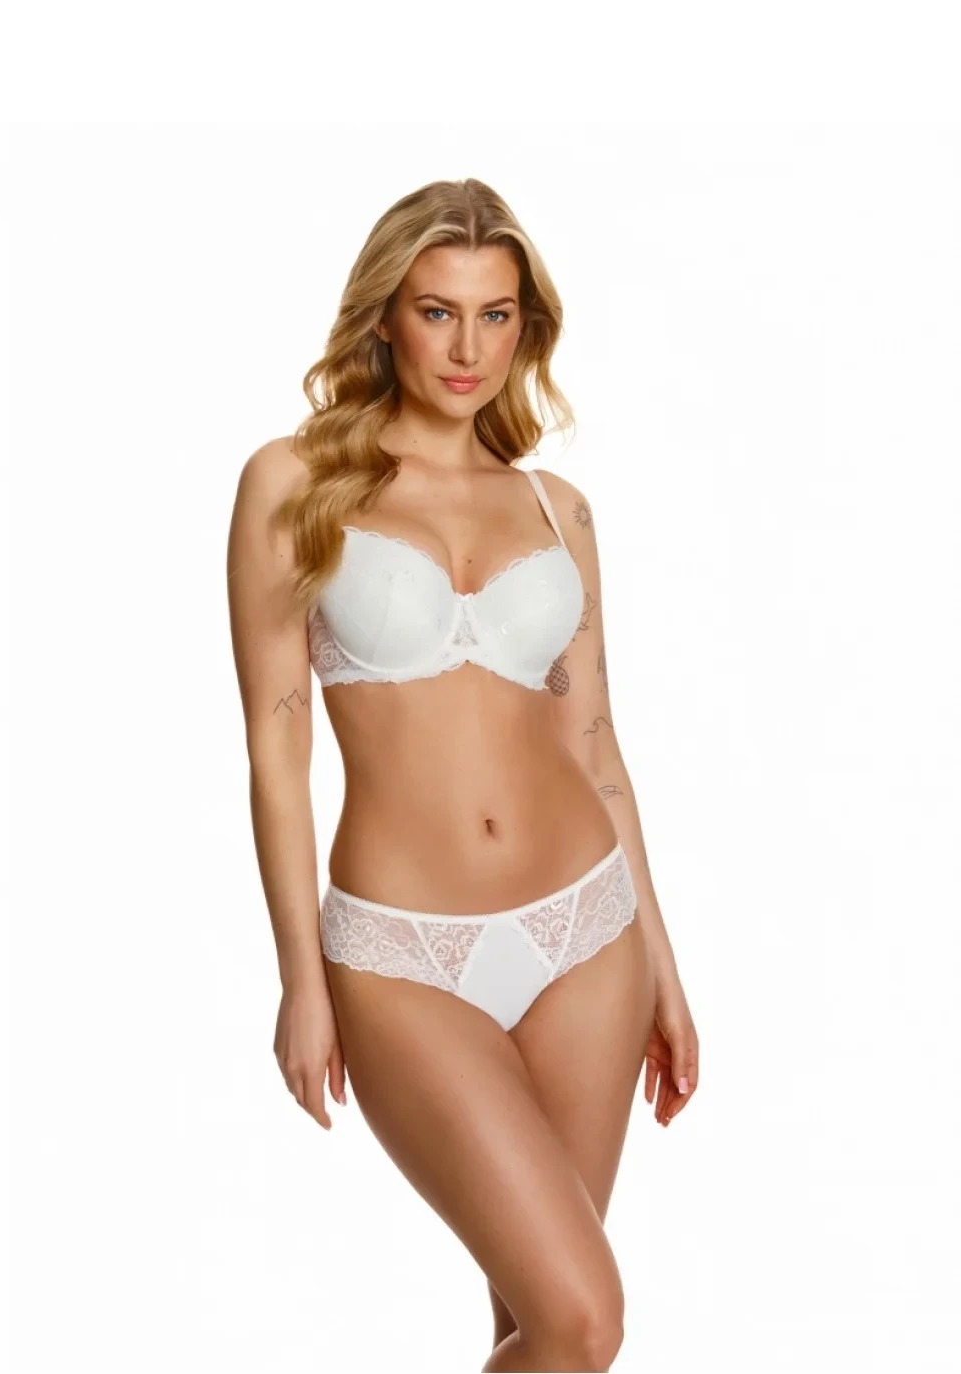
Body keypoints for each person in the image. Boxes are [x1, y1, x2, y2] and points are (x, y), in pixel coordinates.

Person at [226, 178, 699, 1373]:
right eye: (438, 312)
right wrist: (299, 979)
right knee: (583, 1320)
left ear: (526, 328)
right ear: (386, 315)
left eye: (496, 317)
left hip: (587, 934)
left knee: (540, 1329)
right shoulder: (292, 483)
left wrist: (663, 965)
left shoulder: (557, 508)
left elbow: (596, 745)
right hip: (401, 956)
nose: (466, 349)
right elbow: (277, 747)